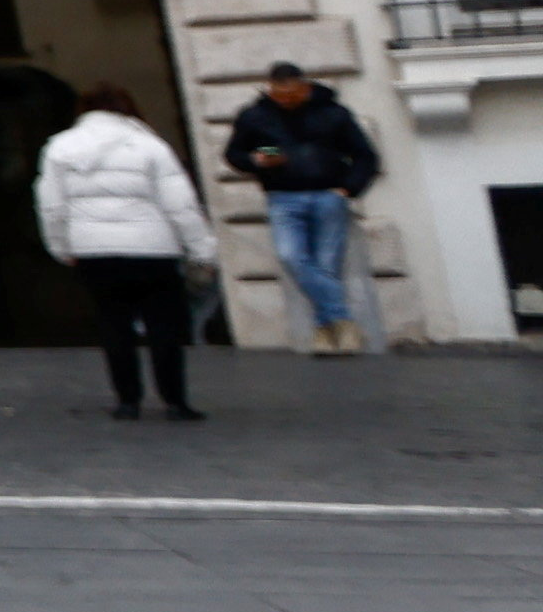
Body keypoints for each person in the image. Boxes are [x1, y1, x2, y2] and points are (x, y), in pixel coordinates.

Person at [36, 81, 217, 422]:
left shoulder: (59, 147)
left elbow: (51, 206)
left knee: (113, 326)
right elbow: (181, 205)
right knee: (164, 328)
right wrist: (201, 249)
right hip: (153, 249)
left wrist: (61, 248)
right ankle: (175, 401)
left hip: (94, 250)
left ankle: (127, 401)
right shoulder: (150, 146)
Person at [220, 57, 386, 359]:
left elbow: (365, 155)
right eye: (280, 96)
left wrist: (348, 188)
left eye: (294, 95)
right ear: (270, 91)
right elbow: (235, 153)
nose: (288, 101)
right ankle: (342, 320)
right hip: (282, 195)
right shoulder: (254, 116)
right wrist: (260, 159)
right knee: (291, 257)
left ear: (306, 88)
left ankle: (325, 331)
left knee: (325, 264)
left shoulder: (333, 113)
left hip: (328, 194)